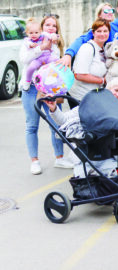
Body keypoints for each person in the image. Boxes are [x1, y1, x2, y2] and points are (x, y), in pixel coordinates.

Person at [20, 17, 70, 174]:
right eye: (47, 24)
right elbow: (24, 59)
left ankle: (60, 158)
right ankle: (34, 161)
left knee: (55, 124)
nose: (50, 27)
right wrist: (41, 48)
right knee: (32, 125)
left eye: (54, 26)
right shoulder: (30, 41)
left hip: (50, 89)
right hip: (31, 89)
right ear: (41, 27)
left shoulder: (56, 43)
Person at [70, 19, 109, 100]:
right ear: (93, 33)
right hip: (80, 98)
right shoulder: (87, 48)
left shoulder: (105, 49)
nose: (102, 34)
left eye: (105, 31)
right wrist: (103, 81)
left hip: (94, 96)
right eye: (99, 31)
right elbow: (79, 75)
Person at [20, 19, 59, 91]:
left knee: (57, 61)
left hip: (47, 58)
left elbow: (52, 35)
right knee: (31, 68)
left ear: (40, 31)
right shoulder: (27, 40)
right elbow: (27, 47)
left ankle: (57, 79)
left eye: (36, 32)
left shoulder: (44, 35)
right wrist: (33, 45)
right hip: (38, 60)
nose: (34, 35)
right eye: (31, 33)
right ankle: (27, 82)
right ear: (27, 33)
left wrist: (54, 37)